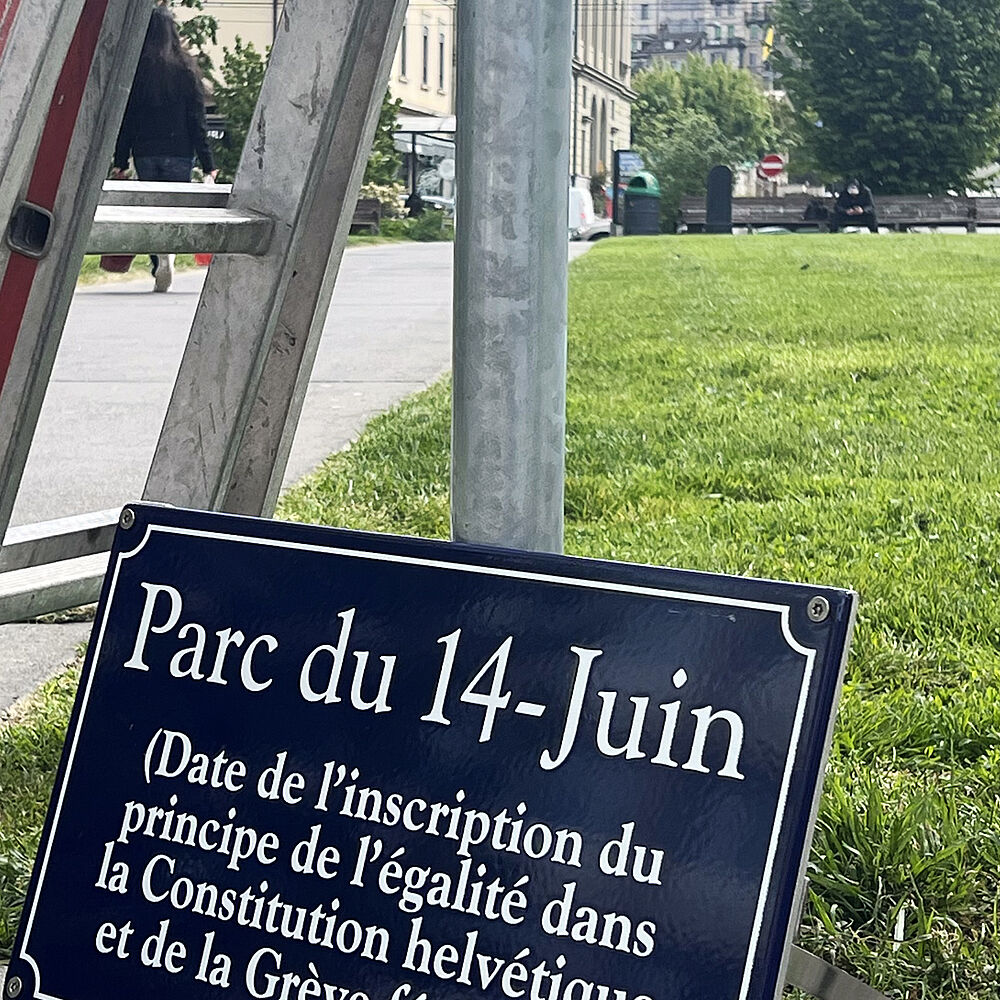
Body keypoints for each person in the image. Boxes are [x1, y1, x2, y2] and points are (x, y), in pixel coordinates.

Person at [112, 5, 218, 291]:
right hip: (180, 151)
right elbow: (197, 120)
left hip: (145, 151)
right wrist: (208, 163)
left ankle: (158, 259)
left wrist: (120, 159)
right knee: (172, 208)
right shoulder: (187, 70)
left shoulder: (139, 70)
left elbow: (128, 119)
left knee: (151, 210)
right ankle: (168, 253)